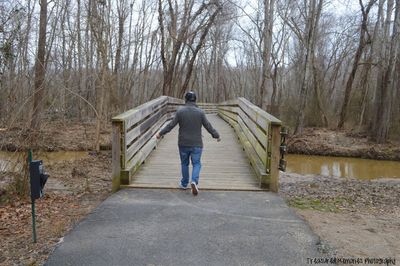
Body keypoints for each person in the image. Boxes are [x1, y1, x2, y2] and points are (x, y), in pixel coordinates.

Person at [156, 91, 220, 196]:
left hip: (183, 143)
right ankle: (194, 181)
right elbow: (208, 126)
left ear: (186, 100)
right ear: (195, 100)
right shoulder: (200, 112)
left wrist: (160, 133)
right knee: (197, 163)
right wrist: (216, 135)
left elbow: (171, 125)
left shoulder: (180, 111)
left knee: (184, 163)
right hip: (197, 144)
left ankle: (184, 183)